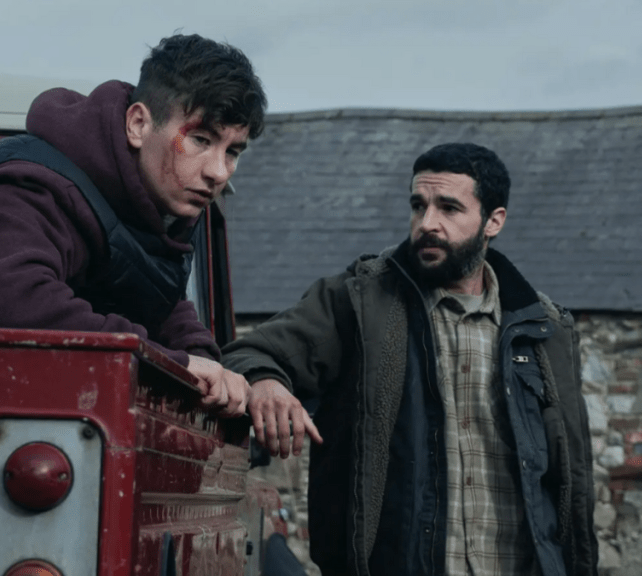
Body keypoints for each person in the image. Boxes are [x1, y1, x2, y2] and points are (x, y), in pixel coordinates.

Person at [222, 143, 598, 576]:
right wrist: (267, 382)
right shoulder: (359, 301)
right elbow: (249, 353)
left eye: (449, 208)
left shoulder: (545, 329)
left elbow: (572, 484)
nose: (427, 223)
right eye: (419, 206)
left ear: (493, 221)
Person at [0, 34, 265, 416]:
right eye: (200, 140)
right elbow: (16, 304)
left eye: (232, 151)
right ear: (138, 125)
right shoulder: (32, 184)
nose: (218, 172)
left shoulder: (157, 205)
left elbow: (155, 296)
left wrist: (203, 360)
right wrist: (174, 365)